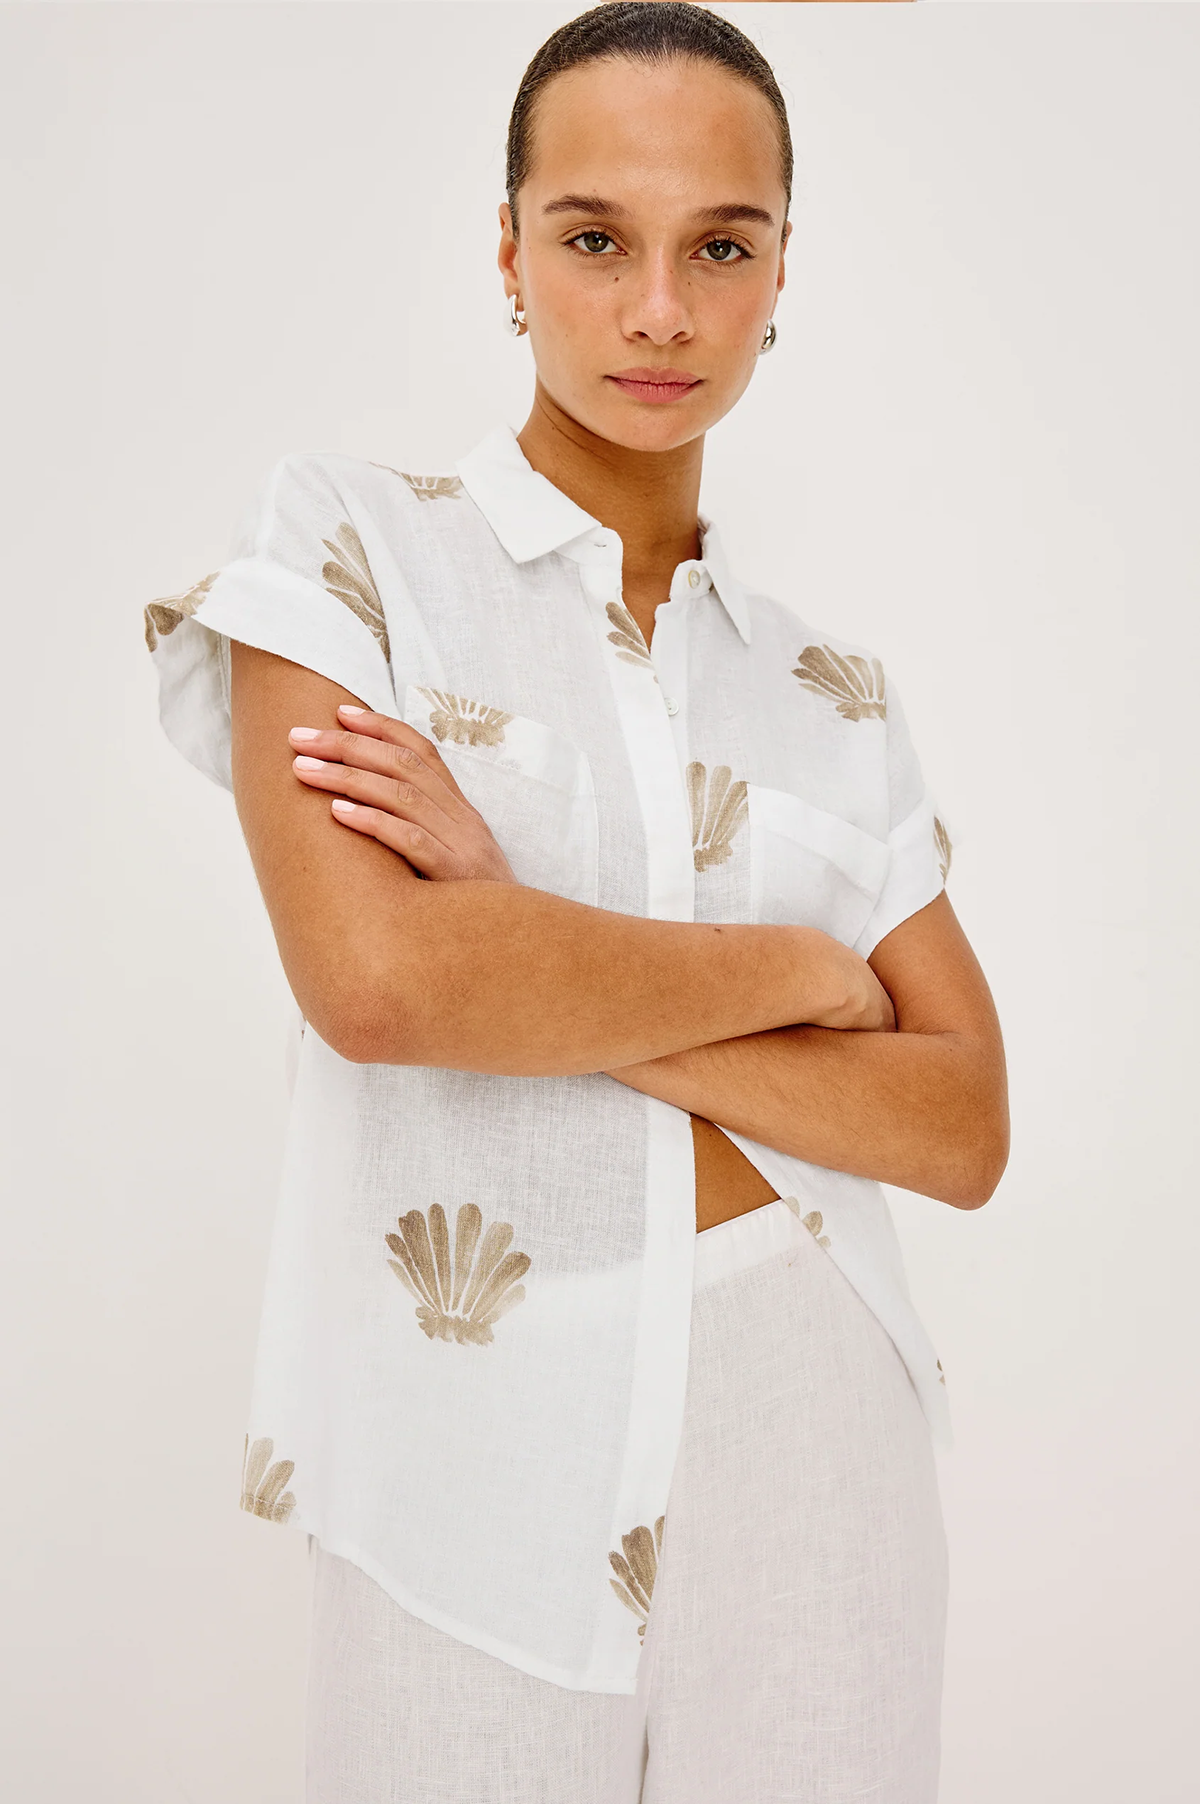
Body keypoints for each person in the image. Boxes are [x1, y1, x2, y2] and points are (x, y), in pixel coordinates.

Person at [144, 4, 1008, 1798]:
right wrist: (793, 971)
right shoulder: (349, 552)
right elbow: (380, 981)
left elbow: (962, 1117)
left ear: (783, 275)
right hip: (463, 1432)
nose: (662, 311)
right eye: (597, 238)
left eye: (723, 247)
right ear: (510, 255)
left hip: (813, 1410)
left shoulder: (832, 692)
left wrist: (520, 932)